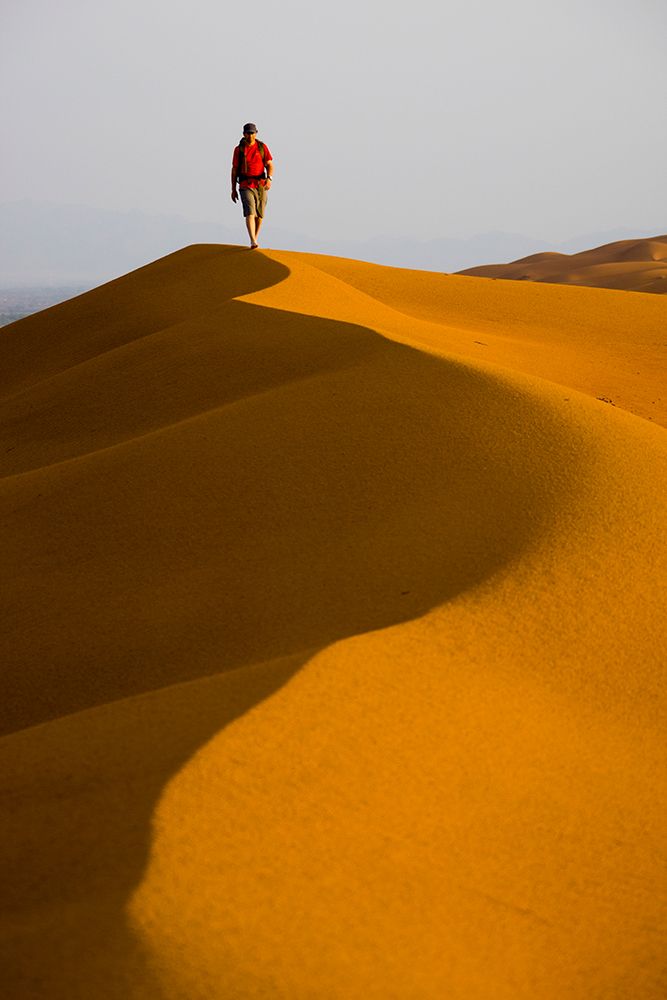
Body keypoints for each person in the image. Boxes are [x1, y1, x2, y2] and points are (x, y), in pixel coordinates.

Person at [231, 123, 274, 249]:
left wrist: (269, 179)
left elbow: (270, 165)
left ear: (256, 133)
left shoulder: (262, 147)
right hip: (245, 184)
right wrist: (233, 189)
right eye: (248, 133)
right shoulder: (239, 150)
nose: (250, 135)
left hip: (261, 185)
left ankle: (254, 238)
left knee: (260, 215)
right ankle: (253, 240)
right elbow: (234, 170)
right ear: (244, 134)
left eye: (252, 133)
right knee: (250, 211)